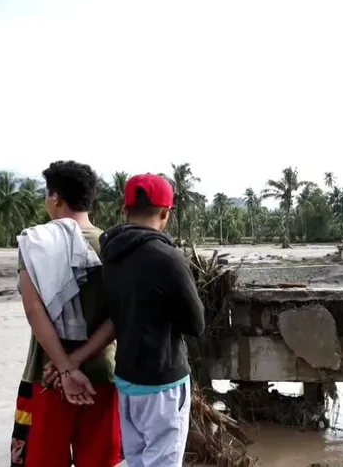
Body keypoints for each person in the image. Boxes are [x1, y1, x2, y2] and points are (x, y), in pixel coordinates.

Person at [11, 160, 121, 467]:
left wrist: (63, 368)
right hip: (101, 376)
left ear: (56, 198)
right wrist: (75, 363)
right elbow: (118, 318)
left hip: (46, 376)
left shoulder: (35, 242)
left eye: (47, 194)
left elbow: (34, 311)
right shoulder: (112, 245)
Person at [100, 173, 205, 467]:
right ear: (164, 213)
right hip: (163, 384)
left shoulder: (109, 254)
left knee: (137, 460)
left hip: (126, 379)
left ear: (124, 211)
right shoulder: (168, 258)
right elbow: (196, 325)